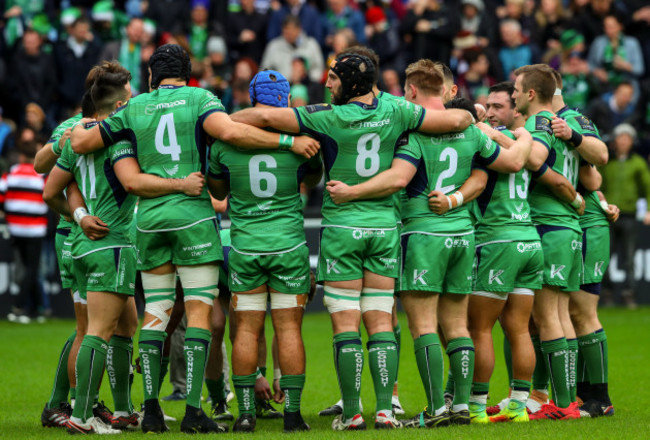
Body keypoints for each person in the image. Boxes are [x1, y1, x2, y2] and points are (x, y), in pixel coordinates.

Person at [70, 44, 319, 434]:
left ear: (152, 76)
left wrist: (78, 128)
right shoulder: (201, 98)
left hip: (149, 223)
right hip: (193, 218)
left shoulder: (133, 108)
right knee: (200, 313)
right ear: (188, 73)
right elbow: (233, 132)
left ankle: (150, 411)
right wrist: (286, 143)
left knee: (157, 310)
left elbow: (82, 144)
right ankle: (193, 411)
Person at [230, 53, 474, 430]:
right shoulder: (397, 109)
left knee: (346, 326)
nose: (327, 85)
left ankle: (353, 412)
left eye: (332, 79)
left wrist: (234, 123)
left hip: (343, 229)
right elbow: (459, 118)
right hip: (383, 230)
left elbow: (255, 116)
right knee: (379, 323)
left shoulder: (325, 116)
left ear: (349, 83)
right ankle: (384, 410)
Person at [326, 64, 531, 428]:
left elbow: (400, 178)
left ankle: (437, 410)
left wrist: (352, 191)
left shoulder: (412, 132)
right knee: (457, 326)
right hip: (463, 236)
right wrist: (525, 134)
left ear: (412, 93)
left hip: (422, 234)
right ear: (447, 91)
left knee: (424, 327)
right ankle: (463, 407)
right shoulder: (470, 129)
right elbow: (513, 162)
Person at [43, 61, 201, 434]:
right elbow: (134, 182)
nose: (132, 102)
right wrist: (181, 184)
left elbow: (52, 189)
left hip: (82, 242)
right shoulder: (121, 136)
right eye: (129, 98)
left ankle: (126, 410)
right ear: (117, 105)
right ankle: (83, 415)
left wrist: (79, 215)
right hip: (112, 243)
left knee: (125, 326)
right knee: (97, 331)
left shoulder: (78, 134)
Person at [208, 70, 322, 432]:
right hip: (288, 244)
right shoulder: (303, 140)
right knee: (288, 329)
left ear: (252, 100)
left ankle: (244, 414)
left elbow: (218, 190)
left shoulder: (225, 143)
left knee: (245, 329)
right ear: (286, 100)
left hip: (245, 247)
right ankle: (292, 415)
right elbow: (313, 180)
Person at [466, 81, 541, 424]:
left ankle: (477, 408)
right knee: (519, 328)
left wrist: (483, 128)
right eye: (488, 106)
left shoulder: (489, 139)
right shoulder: (525, 140)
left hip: (498, 240)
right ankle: (518, 407)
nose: (491, 112)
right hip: (529, 240)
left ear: (515, 110)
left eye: (498, 106)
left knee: (479, 328)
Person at [513, 64, 583, 420]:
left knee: (545, 318)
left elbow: (536, 158)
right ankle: (566, 400)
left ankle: (563, 404)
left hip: (547, 225)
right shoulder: (560, 126)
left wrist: (505, 142)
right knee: (560, 315)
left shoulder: (537, 124)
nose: (511, 95)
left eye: (515, 89)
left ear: (530, 94)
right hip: (568, 228)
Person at [600, 123, 650, 308]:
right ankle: (606, 292)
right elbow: (596, 186)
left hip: (629, 215)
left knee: (629, 258)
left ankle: (630, 293)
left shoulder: (638, 162)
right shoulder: (607, 161)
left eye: (627, 138)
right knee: (605, 256)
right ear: (615, 140)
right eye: (620, 138)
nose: (623, 141)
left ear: (632, 142)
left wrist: (648, 210)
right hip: (607, 215)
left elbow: (647, 187)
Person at [1, 141, 47, 323]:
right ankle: (19, 308)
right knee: (31, 269)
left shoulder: (10, 174)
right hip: (35, 230)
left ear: (21, 156)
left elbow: (1, 198)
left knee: (27, 269)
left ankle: (38, 309)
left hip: (15, 229)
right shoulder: (41, 176)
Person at [260, 16, 324, 84]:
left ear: (299, 29)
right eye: (286, 31)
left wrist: (307, 79)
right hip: (280, 88)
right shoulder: (273, 46)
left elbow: (319, 69)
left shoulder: (311, 45)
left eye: (292, 30)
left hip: (307, 87)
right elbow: (264, 71)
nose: (289, 34)